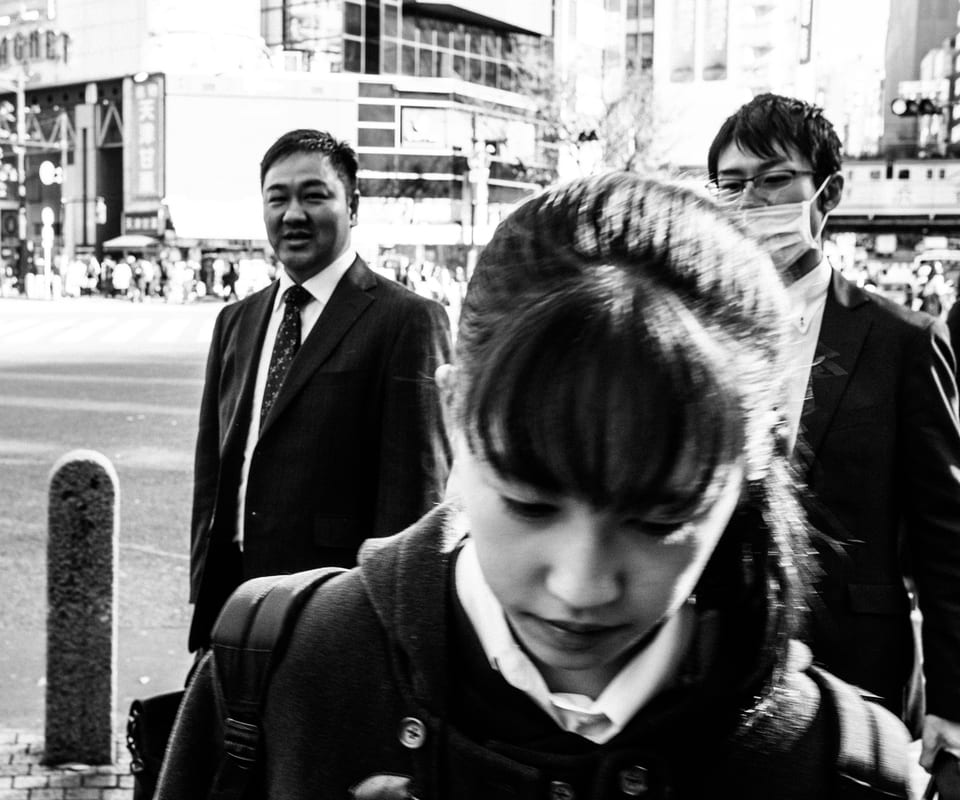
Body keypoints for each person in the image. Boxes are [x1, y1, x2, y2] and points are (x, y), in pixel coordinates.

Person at [158, 172, 912, 799]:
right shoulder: (277, 674)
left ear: (759, 459)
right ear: (454, 414)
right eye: (529, 502)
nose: (582, 585)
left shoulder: (849, 768)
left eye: (659, 519)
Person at [708, 93, 960, 778]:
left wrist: (954, 701)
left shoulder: (902, 340)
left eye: (774, 179)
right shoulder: (696, 333)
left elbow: (945, 534)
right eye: (732, 185)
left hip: (859, 668)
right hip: (718, 661)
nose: (752, 201)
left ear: (829, 191)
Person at [186, 128, 452, 653]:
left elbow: (416, 494)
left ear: (352, 207)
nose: (293, 214)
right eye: (277, 198)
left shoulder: (407, 321)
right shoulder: (236, 322)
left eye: (314, 196)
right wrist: (204, 583)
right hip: (232, 598)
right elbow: (213, 471)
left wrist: (385, 627)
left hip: (335, 606)